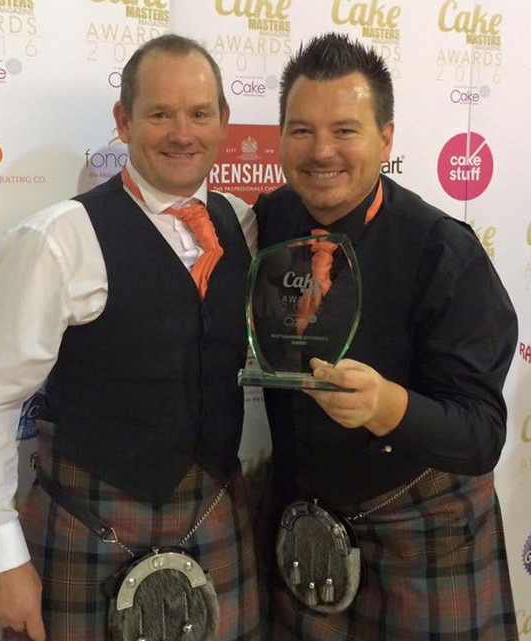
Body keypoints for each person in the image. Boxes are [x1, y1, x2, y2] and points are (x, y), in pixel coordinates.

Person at [0, 34, 261, 641]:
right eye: (159, 114)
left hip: (217, 513)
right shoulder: (58, 239)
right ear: (124, 121)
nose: (182, 133)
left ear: (224, 121)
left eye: (199, 113)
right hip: (90, 524)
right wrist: (0, 555)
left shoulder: (242, 223)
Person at [253, 33, 519, 640]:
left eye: (345, 130)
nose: (322, 151)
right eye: (301, 130)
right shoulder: (268, 221)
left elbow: (482, 435)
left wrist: (388, 407)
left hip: (425, 534)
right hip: (302, 528)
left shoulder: (444, 253)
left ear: (386, 138)